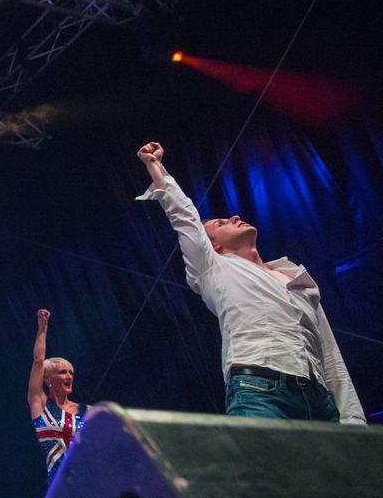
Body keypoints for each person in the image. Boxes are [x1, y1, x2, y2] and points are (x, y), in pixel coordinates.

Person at [136, 141, 365, 423]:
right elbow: (184, 216)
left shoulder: (295, 277)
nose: (234, 216)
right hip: (259, 389)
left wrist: (352, 417)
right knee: (258, 455)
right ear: (213, 246)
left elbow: (328, 352)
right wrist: (155, 165)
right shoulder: (212, 268)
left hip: (319, 398)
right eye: (221, 224)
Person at [27, 308, 86, 482]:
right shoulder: (41, 406)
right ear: (47, 379)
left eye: (71, 373)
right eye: (62, 372)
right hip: (60, 485)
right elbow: (38, 361)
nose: (69, 376)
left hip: (88, 480)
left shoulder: (86, 410)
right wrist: (42, 329)